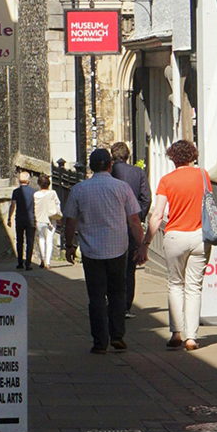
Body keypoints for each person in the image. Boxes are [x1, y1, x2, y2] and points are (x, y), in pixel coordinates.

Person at [62, 148, 143, 354]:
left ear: (90, 167)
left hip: (91, 250)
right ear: (109, 165)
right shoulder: (122, 188)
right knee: (117, 292)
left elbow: (70, 220)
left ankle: (100, 342)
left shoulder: (79, 190)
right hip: (118, 248)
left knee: (96, 297)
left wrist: (69, 245)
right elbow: (134, 219)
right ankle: (117, 335)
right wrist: (141, 245)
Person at [141, 139, 209, 351]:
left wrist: (146, 243)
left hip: (175, 237)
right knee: (194, 287)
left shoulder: (166, 181)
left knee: (175, 284)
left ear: (172, 158)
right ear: (192, 155)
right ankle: (192, 337)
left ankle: (176, 333)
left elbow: (158, 214)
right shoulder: (203, 175)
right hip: (199, 236)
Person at [110, 141, 151, 316]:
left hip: (111, 225)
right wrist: (139, 215)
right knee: (129, 268)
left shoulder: (108, 173)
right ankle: (126, 305)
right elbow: (146, 198)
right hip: (131, 224)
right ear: (128, 156)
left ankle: (112, 302)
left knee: (112, 265)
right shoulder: (138, 172)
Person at [7, 170, 36, 269]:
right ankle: (28, 263)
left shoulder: (16, 192)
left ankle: (20, 262)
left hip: (19, 218)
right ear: (28, 181)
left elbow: (13, 205)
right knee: (30, 241)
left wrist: (9, 218)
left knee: (20, 241)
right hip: (31, 218)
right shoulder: (33, 192)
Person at [33, 173, 61, 269]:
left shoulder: (36, 194)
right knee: (49, 240)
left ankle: (42, 259)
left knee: (41, 239)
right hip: (50, 219)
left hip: (39, 219)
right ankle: (47, 262)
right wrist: (59, 218)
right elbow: (57, 205)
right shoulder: (52, 193)